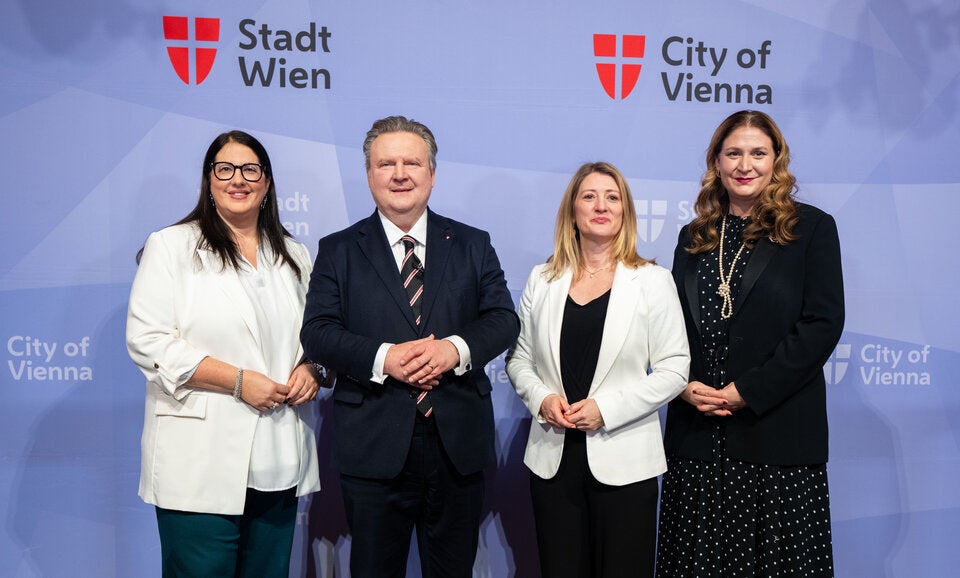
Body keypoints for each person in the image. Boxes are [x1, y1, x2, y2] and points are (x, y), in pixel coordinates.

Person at [300, 115, 519, 577]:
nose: (400, 173)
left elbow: (503, 320)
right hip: (374, 444)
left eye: (412, 162)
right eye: (386, 163)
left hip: (456, 442)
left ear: (432, 174)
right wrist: (386, 358)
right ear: (369, 175)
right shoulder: (338, 249)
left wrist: (453, 350)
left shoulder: (472, 244)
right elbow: (317, 331)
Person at [656, 110, 844, 578]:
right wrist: (682, 385)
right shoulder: (693, 237)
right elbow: (668, 328)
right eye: (733, 153)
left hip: (776, 438)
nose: (745, 164)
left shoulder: (811, 229)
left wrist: (750, 391)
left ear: (776, 160)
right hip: (698, 438)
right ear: (716, 162)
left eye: (758, 153)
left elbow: (822, 324)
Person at [126, 130, 323, 577]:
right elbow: (148, 340)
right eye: (225, 169)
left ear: (267, 183)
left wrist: (314, 367)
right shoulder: (172, 245)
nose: (239, 179)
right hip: (199, 462)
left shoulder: (294, 253)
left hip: (279, 457)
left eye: (250, 169)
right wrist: (237, 380)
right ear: (209, 181)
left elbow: (318, 335)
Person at [506, 162, 690, 578]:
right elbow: (519, 359)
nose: (601, 205)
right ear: (572, 211)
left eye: (613, 197)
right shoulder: (543, 278)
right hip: (553, 459)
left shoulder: (653, 280)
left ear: (626, 211)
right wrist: (542, 399)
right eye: (589, 196)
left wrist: (607, 409)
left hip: (625, 460)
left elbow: (675, 368)